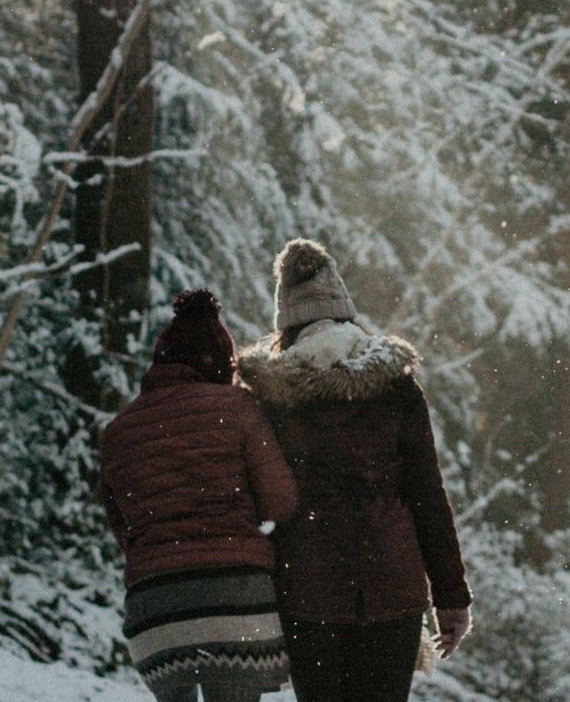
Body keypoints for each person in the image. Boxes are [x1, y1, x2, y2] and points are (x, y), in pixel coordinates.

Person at [237, 240, 472, 702]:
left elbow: (259, 497)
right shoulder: (396, 387)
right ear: (345, 312)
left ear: (287, 320)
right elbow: (428, 496)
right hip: (392, 588)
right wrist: (452, 597)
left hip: (309, 591)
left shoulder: (272, 398)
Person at [101, 287, 300, 702]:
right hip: (235, 597)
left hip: (156, 607)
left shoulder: (118, 431)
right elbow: (282, 501)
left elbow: (122, 525)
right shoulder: (238, 408)